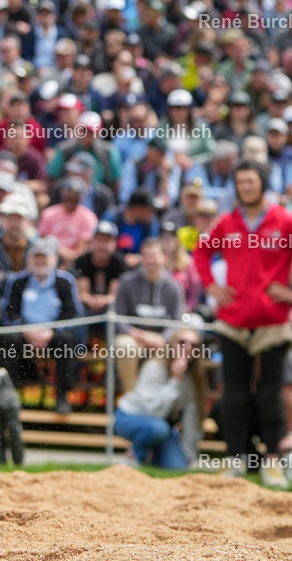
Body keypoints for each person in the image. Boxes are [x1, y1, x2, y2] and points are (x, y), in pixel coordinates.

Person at [192, 159, 292, 488]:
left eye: (250, 181)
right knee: (232, 393)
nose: (245, 187)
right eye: (240, 182)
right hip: (232, 320)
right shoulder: (227, 222)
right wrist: (211, 287)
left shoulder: (284, 219)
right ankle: (236, 459)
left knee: (270, 394)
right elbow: (200, 251)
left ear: (263, 183)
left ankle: (273, 462)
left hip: (272, 322)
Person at [0, 237, 80, 414]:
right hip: (24, 332)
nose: (40, 260)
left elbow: (71, 313)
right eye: (36, 256)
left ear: (54, 259)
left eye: (44, 256)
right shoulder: (17, 281)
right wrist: (25, 330)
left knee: (67, 340)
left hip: (52, 334)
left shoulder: (65, 281)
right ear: (29, 258)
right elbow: (9, 312)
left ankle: (62, 397)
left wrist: (49, 332)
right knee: (7, 339)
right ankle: (9, 394)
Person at [114, 326, 208, 469]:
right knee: (158, 429)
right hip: (130, 417)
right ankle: (132, 457)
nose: (187, 347)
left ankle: (151, 456)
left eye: (193, 344)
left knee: (177, 466)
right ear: (172, 344)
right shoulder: (155, 367)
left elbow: (192, 418)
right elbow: (155, 412)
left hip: (163, 427)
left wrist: (190, 457)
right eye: (182, 342)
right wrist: (175, 381)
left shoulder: (193, 377)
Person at [113, 238, 187, 393]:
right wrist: (132, 332)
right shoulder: (126, 282)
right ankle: (131, 397)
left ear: (164, 257)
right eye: (147, 256)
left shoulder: (174, 287)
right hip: (134, 335)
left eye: (155, 255)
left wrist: (164, 338)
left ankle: (153, 403)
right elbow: (117, 316)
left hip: (162, 338)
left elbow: (177, 320)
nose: (151, 260)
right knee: (124, 347)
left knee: (157, 364)